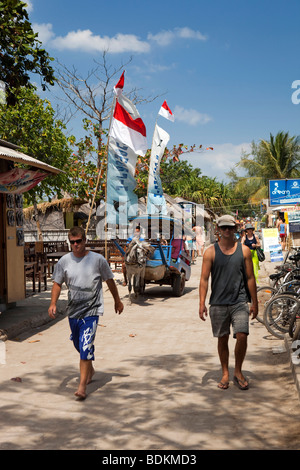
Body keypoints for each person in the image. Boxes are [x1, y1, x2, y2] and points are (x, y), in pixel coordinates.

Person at [48, 226, 124, 400]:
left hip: (92, 311)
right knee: (78, 344)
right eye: (72, 242)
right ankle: (90, 368)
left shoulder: (97, 260)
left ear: (85, 240)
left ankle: (82, 387)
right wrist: (52, 303)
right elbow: (57, 283)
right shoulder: (64, 262)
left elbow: (110, 281)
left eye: (78, 241)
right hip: (73, 312)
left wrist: (117, 300)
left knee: (85, 345)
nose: (75, 245)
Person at [199, 214, 258, 391]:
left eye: (230, 227)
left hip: (239, 301)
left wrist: (255, 302)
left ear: (235, 229)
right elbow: (204, 279)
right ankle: (225, 372)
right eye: (223, 227)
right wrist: (202, 303)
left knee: (242, 335)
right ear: (218, 229)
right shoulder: (210, 252)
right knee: (222, 338)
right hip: (218, 303)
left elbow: (250, 277)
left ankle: (238, 371)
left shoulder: (244, 251)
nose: (226, 230)